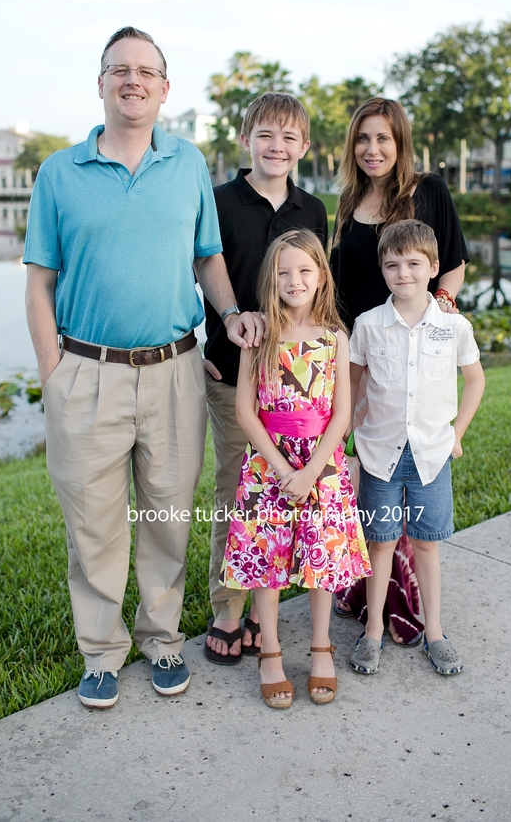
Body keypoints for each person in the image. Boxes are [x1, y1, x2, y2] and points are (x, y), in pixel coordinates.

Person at [24, 26, 261, 709]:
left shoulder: (186, 164)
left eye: (145, 70)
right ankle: (100, 652)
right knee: (94, 522)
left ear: (164, 87)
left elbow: (207, 257)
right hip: (87, 373)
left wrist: (231, 312)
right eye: (118, 69)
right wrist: (52, 371)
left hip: (174, 369)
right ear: (100, 83)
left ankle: (161, 639)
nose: (132, 80)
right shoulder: (59, 173)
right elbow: (39, 281)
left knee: (167, 513)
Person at [330, 97, 468, 645]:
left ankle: (410, 603)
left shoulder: (428, 190)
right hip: (361, 352)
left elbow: (452, 261)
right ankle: (369, 595)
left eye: (383, 138)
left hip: (412, 351)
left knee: (413, 471)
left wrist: (440, 308)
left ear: (400, 141)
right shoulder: (346, 201)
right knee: (373, 470)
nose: (373, 149)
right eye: (363, 139)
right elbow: (336, 284)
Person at [220, 229, 371, 707]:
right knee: (267, 560)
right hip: (268, 465)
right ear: (272, 278)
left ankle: (321, 648)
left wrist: (309, 473)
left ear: (321, 276)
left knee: (320, 560)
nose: (294, 280)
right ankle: (270, 652)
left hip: (322, 467)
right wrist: (284, 468)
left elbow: (342, 413)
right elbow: (245, 411)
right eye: (284, 272)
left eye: (305, 270)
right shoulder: (259, 335)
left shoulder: (334, 337)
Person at [202, 93, 328, 665]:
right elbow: (198, 271)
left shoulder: (313, 209)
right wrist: (216, 331)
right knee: (237, 490)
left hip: (298, 388)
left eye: (289, 138)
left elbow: (317, 290)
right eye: (266, 135)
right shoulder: (220, 200)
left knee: (281, 499)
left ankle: (263, 610)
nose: (277, 147)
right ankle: (228, 607)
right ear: (246, 138)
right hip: (234, 374)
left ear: (303, 147)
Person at [348, 220, 485, 675]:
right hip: (378, 455)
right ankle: (371, 635)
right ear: (382, 270)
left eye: (413, 264)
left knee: (427, 545)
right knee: (380, 542)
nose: (402, 273)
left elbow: (475, 381)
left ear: (433, 267)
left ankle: (435, 632)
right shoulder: (368, 325)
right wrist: (347, 437)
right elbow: (351, 386)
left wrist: (457, 433)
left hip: (432, 456)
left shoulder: (453, 326)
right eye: (392, 265)